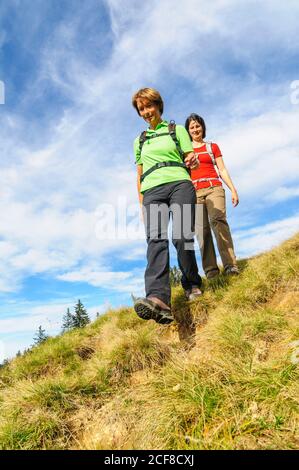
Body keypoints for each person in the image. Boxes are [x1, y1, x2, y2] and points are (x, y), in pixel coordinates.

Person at [131, 88, 202, 324]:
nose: (145, 112)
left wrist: (191, 158)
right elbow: (139, 175)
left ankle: (191, 283)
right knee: (155, 240)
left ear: (158, 105)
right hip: (152, 191)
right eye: (141, 109)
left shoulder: (176, 130)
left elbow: (190, 157)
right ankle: (159, 299)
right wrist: (141, 203)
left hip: (179, 183)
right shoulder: (139, 140)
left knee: (182, 236)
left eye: (148, 106)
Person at [185, 113, 239, 279]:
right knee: (202, 231)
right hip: (194, 193)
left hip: (213, 187)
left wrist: (233, 189)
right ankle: (211, 272)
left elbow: (222, 169)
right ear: (188, 131)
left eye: (198, 126)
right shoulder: (184, 151)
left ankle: (230, 265)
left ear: (203, 127)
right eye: (192, 127)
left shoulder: (212, 147)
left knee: (218, 221)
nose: (195, 129)